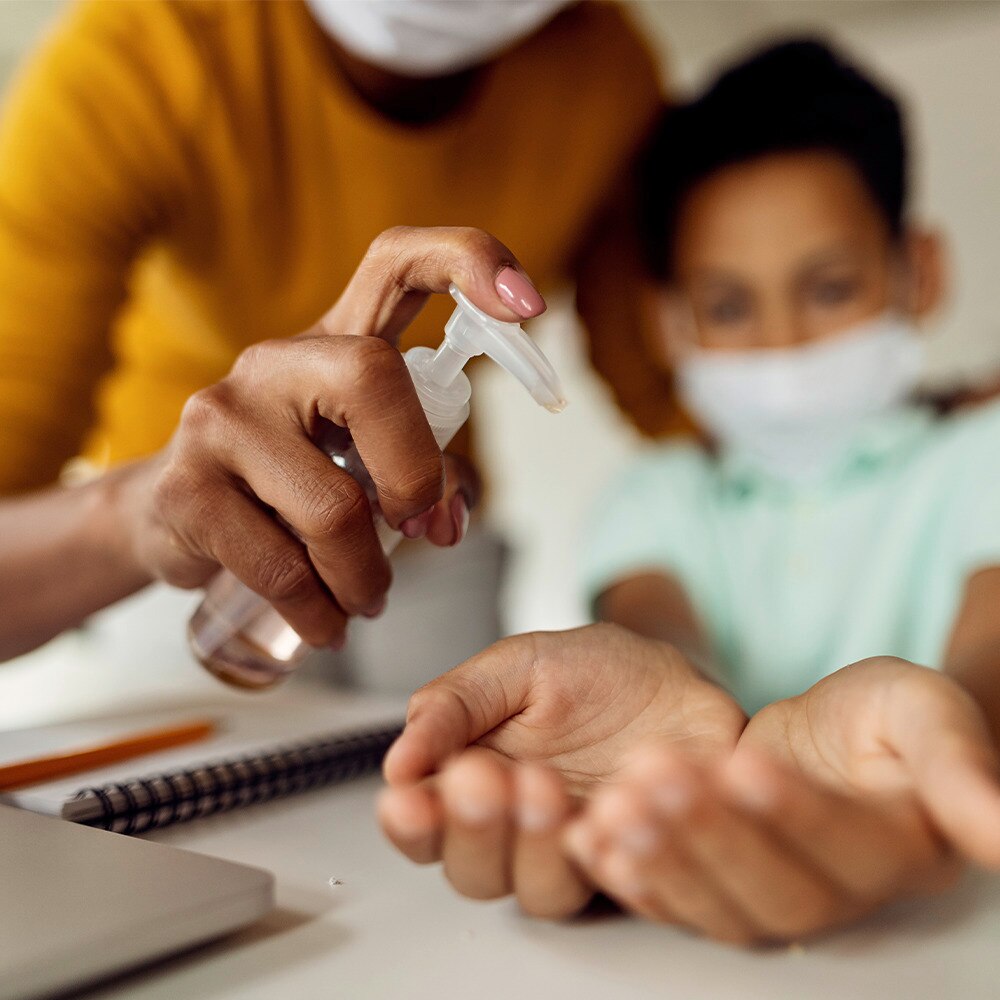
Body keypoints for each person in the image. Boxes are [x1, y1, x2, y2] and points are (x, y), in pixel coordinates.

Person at [378, 40, 1000, 943]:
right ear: (668, 324)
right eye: (732, 307)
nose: (783, 342)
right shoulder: (655, 499)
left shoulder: (983, 454)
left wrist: (955, 738)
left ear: (921, 271)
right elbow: (656, 639)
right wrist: (675, 732)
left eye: (829, 288)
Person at [0, 0, 669, 668]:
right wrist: (139, 516)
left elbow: (660, 375)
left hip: (425, 526)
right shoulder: (145, 53)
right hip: (186, 530)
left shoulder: (606, 74)